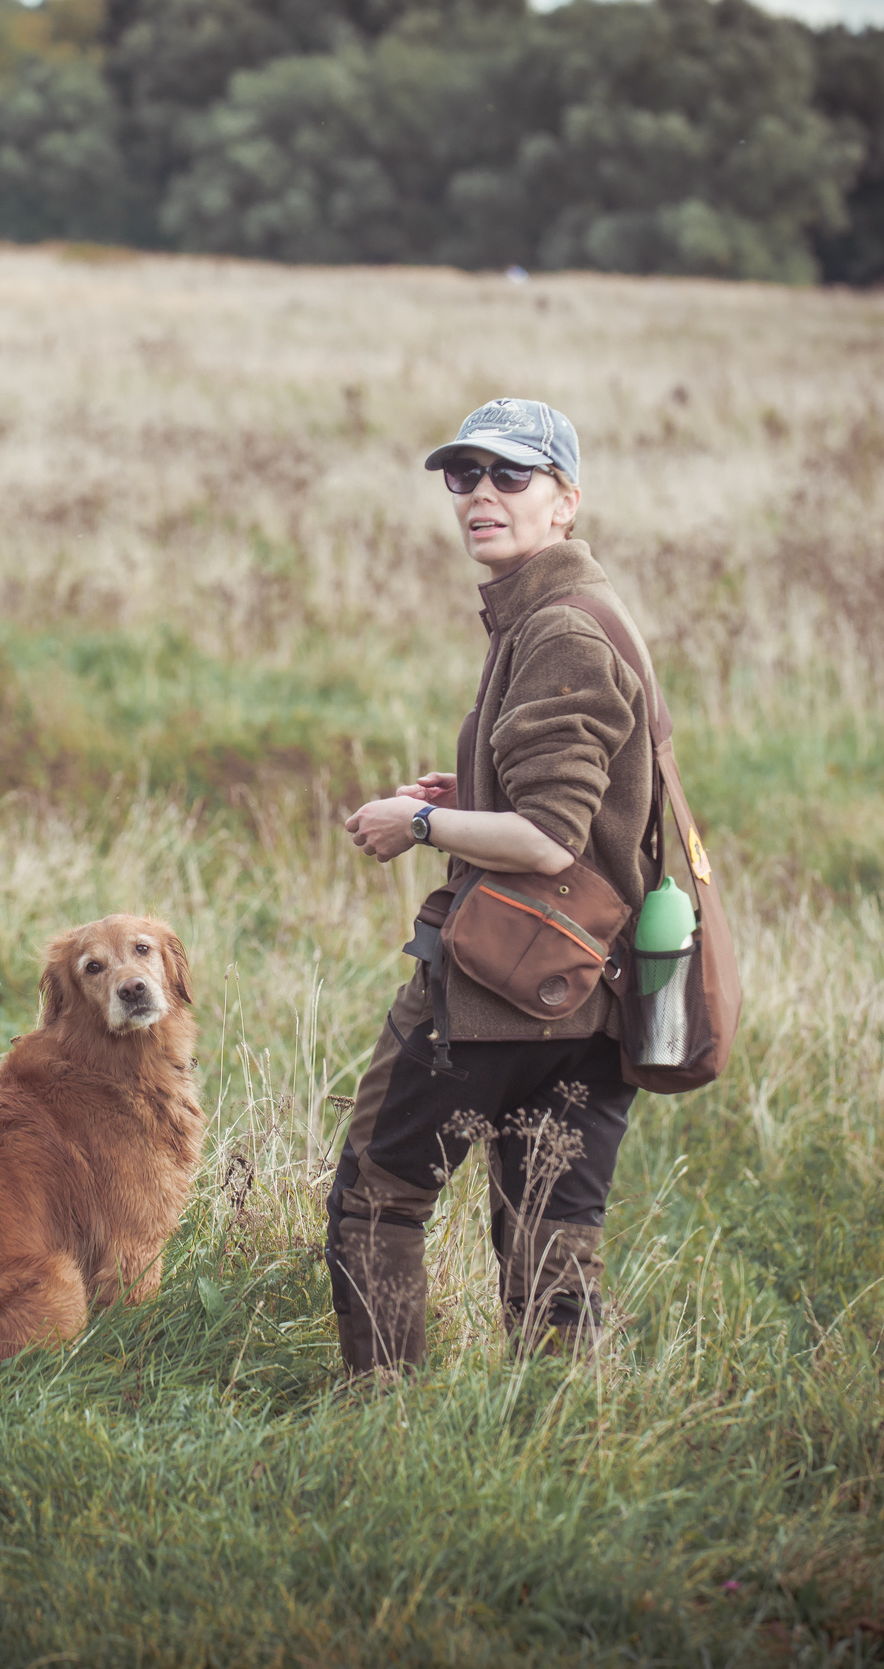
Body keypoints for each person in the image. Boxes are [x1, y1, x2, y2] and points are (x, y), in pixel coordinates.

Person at [328, 397, 658, 1377]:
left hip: (503, 986)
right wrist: (469, 790)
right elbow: (580, 803)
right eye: (461, 474)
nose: (478, 493)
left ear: (565, 500)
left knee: (376, 1197)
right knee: (552, 1235)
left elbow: (550, 837)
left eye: (509, 475)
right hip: (593, 991)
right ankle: (566, 1437)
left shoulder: (559, 631)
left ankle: (381, 1421)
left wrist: (418, 823)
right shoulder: (574, 610)